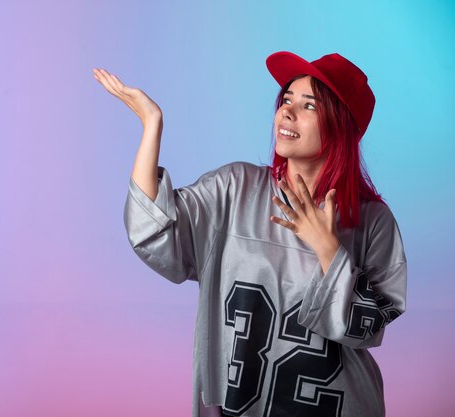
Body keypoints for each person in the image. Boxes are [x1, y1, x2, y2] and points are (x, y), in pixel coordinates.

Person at [92, 51, 407, 417]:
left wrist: (327, 247)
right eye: (286, 99)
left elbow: (368, 328)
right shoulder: (234, 189)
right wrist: (151, 124)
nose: (287, 112)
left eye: (309, 106)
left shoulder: (373, 221)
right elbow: (155, 232)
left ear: (340, 125)